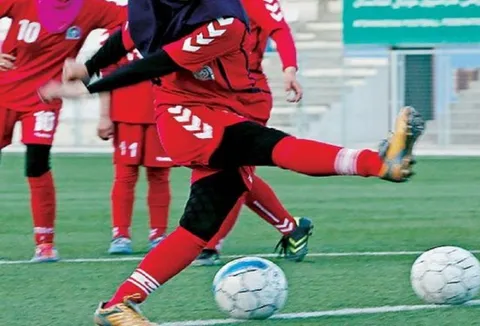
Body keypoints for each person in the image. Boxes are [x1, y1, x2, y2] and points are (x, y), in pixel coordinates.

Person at [39, 0, 424, 323]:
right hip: (186, 114)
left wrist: (88, 84)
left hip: (222, 107)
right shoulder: (168, 7)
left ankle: (118, 306)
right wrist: (88, 70)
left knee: (197, 228)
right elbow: (129, 37)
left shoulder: (226, 23)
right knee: (271, 147)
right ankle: (380, 164)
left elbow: (156, 61)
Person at [0, 0, 126, 262]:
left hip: (44, 97)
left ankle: (45, 243)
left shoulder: (93, 7)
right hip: (3, 92)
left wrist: (90, 67)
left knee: (37, 164)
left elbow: (131, 22)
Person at [193, 0, 311, 266]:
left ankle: (210, 245)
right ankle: (291, 229)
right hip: (213, 93)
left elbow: (279, 29)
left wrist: (289, 69)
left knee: (232, 170)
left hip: (248, 95)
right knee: (225, 169)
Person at [97, 29, 173, 255]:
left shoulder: (173, 27)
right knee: (125, 176)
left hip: (162, 114)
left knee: (159, 176)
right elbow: (106, 77)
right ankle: (120, 235)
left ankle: (158, 234)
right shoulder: (117, 31)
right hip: (125, 115)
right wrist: (104, 116)